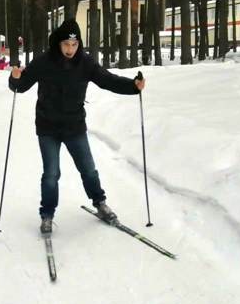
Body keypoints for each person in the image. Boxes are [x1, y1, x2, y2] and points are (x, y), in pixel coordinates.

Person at [9, 18, 145, 235]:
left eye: (74, 45)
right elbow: (21, 85)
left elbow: (107, 80)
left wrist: (133, 86)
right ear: (58, 43)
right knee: (51, 173)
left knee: (88, 169)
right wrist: (15, 78)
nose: (70, 49)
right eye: (66, 44)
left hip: (74, 126)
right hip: (47, 127)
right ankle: (47, 215)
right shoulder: (44, 61)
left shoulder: (86, 63)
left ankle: (100, 203)